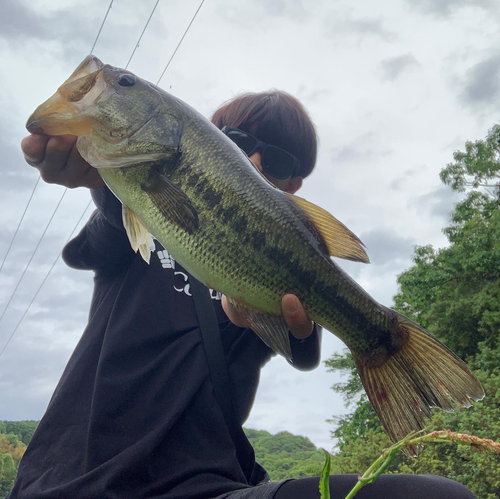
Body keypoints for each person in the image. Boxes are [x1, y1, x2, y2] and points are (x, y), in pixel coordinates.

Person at [11, 91, 476, 499]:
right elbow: (116, 209)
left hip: (207, 487)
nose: (254, 162)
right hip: (67, 479)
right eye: (236, 141)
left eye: (277, 161)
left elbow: (301, 345)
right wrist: (96, 168)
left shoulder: (291, 259)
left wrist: (258, 316)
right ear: (204, 142)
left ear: (294, 186)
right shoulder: (138, 211)